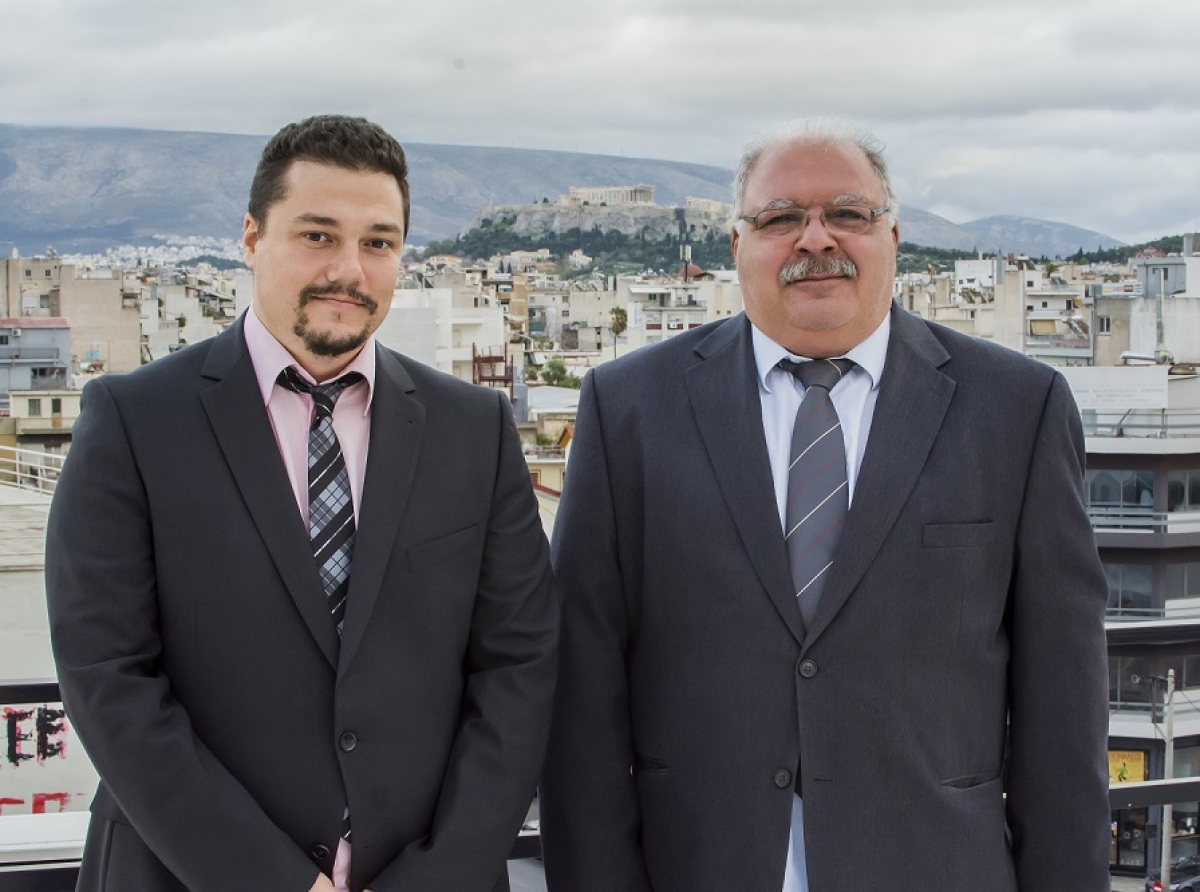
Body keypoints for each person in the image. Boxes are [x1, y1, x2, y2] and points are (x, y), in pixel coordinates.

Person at [540, 118, 1110, 890]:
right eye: (781, 218)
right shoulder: (629, 408)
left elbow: (1063, 710)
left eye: (848, 213)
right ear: (736, 244)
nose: (816, 239)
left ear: (894, 236)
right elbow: (582, 699)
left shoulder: (1017, 409)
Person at [45, 114, 557, 892]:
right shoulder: (134, 420)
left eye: (378, 243)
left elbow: (519, 668)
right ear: (251, 237)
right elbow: (108, 675)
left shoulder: (473, 430)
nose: (348, 270)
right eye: (318, 236)